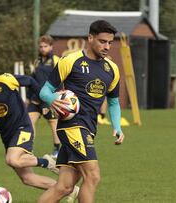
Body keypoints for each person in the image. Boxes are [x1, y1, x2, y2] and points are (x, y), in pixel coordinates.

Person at [0, 57, 78, 202]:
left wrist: (44, 101)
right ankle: (70, 190)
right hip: (7, 137)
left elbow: (29, 81)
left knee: (12, 159)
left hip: (23, 126)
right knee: (28, 179)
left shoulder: (5, 79)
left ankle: (48, 162)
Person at [37, 20, 125, 203]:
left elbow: (114, 101)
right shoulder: (71, 61)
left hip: (89, 128)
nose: (107, 46)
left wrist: (117, 126)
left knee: (64, 187)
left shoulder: (112, 69)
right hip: (72, 126)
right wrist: (54, 100)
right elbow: (45, 91)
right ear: (90, 38)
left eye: (110, 42)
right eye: (102, 41)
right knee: (93, 176)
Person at [28, 35, 61, 158]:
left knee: (53, 124)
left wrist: (50, 101)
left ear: (51, 47)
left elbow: (59, 81)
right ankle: (28, 148)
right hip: (36, 99)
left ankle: (57, 149)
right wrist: (28, 97)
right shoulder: (36, 61)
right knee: (28, 122)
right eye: (40, 46)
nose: (42, 49)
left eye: (45, 46)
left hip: (50, 99)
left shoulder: (56, 60)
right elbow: (31, 80)